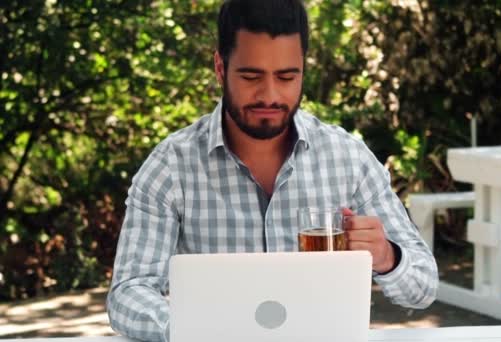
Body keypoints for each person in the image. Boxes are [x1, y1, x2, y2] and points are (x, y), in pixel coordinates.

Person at [106, 0, 438, 341]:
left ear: (303, 71)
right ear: (220, 67)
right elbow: (128, 292)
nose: (270, 94)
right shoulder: (170, 166)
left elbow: (423, 287)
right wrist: (192, 332)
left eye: (286, 76)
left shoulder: (347, 157)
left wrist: (387, 257)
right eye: (251, 76)